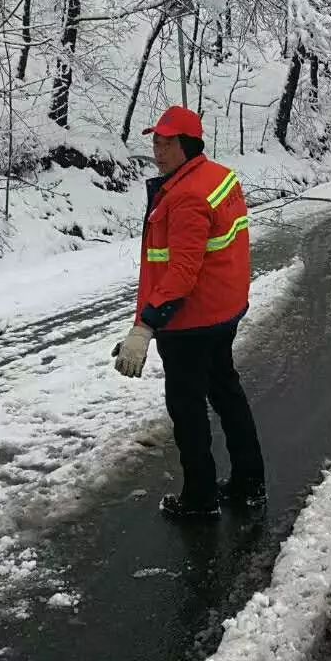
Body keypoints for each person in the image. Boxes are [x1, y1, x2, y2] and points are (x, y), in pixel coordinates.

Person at [112, 105, 266, 521]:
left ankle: (200, 498)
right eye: (155, 141)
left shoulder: (186, 197)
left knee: (187, 408)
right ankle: (250, 482)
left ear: (188, 145)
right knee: (226, 393)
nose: (157, 150)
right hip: (223, 311)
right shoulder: (219, 178)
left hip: (190, 322)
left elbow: (181, 272)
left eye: (166, 142)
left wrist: (145, 326)